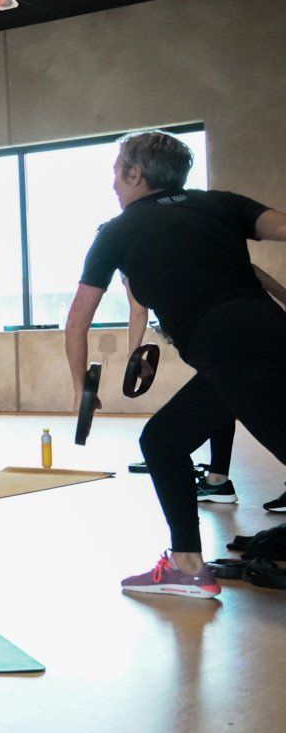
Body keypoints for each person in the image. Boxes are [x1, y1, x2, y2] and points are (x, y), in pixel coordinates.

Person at [66, 130, 286, 598]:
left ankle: (187, 564)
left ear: (136, 173)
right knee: (163, 440)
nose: (113, 185)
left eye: (116, 173)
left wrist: (80, 391)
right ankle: (186, 563)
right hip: (266, 333)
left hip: (229, 348)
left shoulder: (116, 232)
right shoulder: (218, 205)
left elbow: (77, 322)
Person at [127, 271, 286, 510]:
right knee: (224, 396)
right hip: (258, 329)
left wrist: (134, 357)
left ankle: (215, 486)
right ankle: (217, 480)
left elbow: (138, 309)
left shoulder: (136, 257)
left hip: (233, 336)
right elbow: (256, 273)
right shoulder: (202, 248)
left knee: (159, 439)